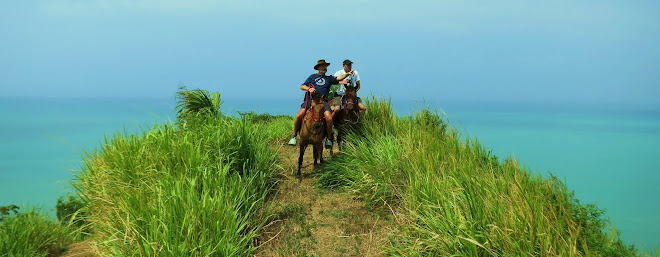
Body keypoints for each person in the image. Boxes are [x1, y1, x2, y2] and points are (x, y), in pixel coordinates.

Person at [289, 59, 352, 147]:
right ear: (318, 68)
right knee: (299, 115)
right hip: (310, 100)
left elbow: (339, 78)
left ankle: (328, 139)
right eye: (323, 66)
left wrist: (347, 74)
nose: (325, 67)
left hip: (323, 102)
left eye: (326, 66)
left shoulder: (329, 78)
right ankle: (294, 136)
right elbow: (302, 86)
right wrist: (308, 89)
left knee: (329, 118)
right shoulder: (312, 76)